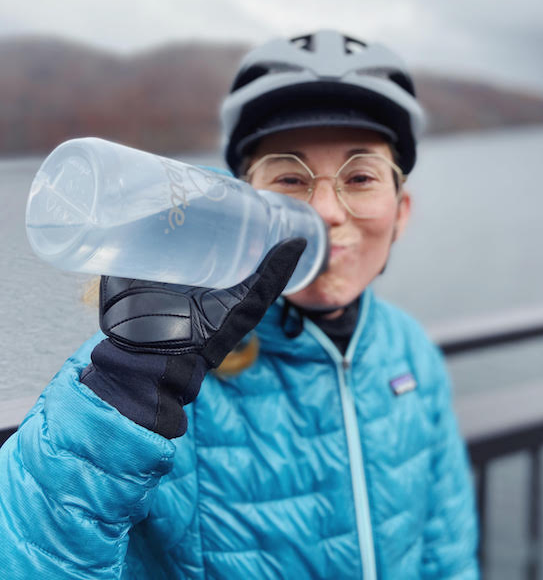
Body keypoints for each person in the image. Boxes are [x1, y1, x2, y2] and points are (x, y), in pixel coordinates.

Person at [0, 30, 478, 578]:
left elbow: (448, 556)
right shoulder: (156, 366)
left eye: (362, 177)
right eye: (291, 178)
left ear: (402, 209)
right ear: (243, 201)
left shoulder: (410, 352)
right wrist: (118, 400)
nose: (325, 210)